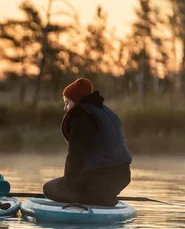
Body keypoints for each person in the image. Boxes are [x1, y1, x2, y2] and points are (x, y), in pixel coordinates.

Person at [43, 78, 132, 206]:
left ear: (76, 100)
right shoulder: (104, 113)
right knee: (73, 185)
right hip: (123, 177)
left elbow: (76, 156)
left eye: (67, 103)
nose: (65, 108)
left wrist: (68, 186)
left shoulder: (81, 119)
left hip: (98, 180)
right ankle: (103, 199)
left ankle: (91, 199)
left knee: (49, 188)